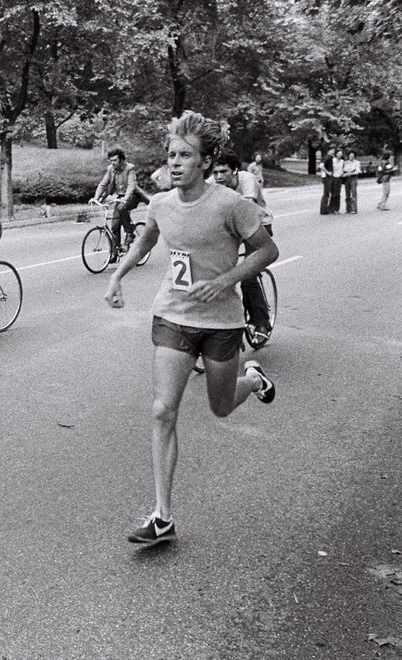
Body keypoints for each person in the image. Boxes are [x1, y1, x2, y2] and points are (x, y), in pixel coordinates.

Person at [104, 110, 279, 547]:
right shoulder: (161, 203)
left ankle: (252, 378)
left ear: (205, 161)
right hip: (172, 317)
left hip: (221, 322)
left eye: (185, 155)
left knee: (220, 407)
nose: (175, 162)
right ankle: (162, 516)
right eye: (171, 155)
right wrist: (117, 275)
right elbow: (145, 241)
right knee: (163, 410)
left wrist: (224, 280)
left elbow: (267, 250)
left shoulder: (230, 205)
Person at [212, 150, 274, 344]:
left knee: (247, 275)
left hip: (258, 225)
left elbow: (248, 209)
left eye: (224, 172)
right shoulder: (214, 184)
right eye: (215, 173)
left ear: (236, 171)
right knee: (214, 270)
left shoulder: (248, 180)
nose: (219, 177)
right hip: (231, 226)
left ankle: (261, 322)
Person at [91, 147, 150, 258]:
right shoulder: (110, 169)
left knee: (122, 208)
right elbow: (103, 184)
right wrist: (96, 197)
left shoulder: (129, 168)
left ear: (122, 159)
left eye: (115, 160)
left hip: (132, 195)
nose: (112, 163)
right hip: (120, 197)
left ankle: (130, 233)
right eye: (111, 160)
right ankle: (114, 253)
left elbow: (132, 185)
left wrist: (126, 197)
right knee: (114, 225)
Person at [318, 150, 334, 215]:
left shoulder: (327, 157)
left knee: (326, 193)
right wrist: (327, 172)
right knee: (326, 194)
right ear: (328, 151)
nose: (333, 152)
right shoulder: (328, 157)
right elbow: (321, 166)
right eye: (332, 150)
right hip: (327, 178)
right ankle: (324, 210)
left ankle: (324, 209)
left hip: (325, 177)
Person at [329, 148, 344, 213]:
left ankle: (336, 209)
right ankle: (331, 209)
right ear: (336, 154)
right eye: (338, 154)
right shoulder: (332, 160)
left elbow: (343, 169)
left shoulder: (342, 161)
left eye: (341, 154)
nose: (339, 155)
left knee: (338, 194)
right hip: (333, 178)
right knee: (333, 194)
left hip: (339, 178)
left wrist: (342, 173)